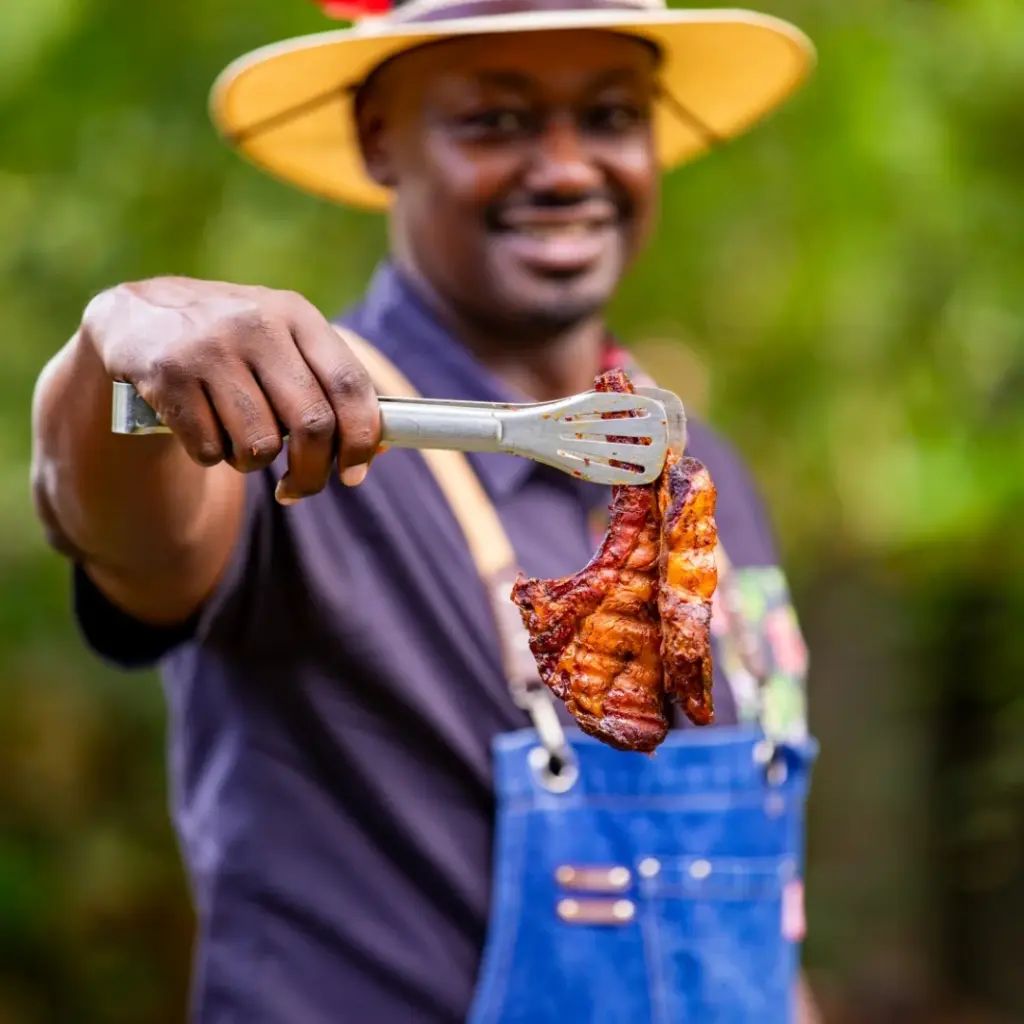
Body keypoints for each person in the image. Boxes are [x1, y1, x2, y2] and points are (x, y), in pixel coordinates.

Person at [30, 0, 823, 1020]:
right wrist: (121, 335)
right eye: (495, 121)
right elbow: (99, 514)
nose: (569, 167)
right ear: (378, 137)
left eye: (613, 116)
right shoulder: (285, 439)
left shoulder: (702, 474)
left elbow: (752, 922)